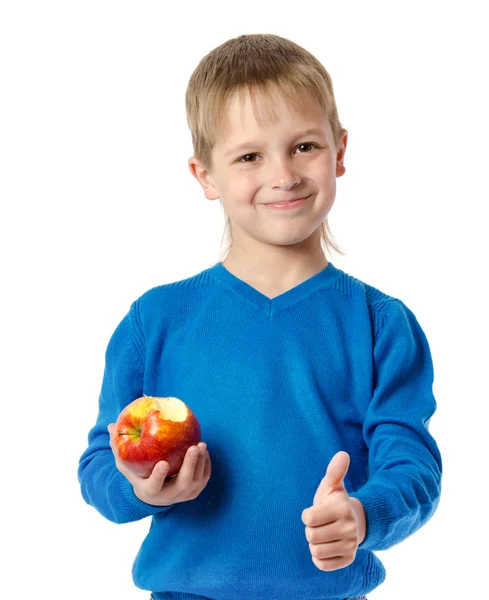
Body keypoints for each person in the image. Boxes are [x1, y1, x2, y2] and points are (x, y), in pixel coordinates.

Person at [78, 33, 442, 600]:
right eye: (250, 156)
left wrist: (365, 515)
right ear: (205, 176)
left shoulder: (380, 324)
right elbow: (101, 460)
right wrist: (141, 491)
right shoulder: (155, 321)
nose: (284, 174)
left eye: (304, 147)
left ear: (340, 150)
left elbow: (413, 463)